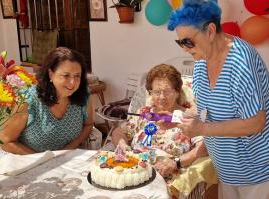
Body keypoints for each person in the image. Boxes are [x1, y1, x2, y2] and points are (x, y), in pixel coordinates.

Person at [168, 0, 269, 198]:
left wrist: (202, 129)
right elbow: (206, 110)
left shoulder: (241, 63)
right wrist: (174, 118)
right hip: (226, 171)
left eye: (188, 41)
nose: (184, 49)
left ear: (211, 30)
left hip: (256, 173)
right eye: (179, 42)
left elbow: (256, 122)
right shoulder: (201, 59)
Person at [0, 47, 94, 162]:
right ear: (51, 74)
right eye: (66, 75)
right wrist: (42, 161)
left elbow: (88, 125)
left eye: (77, 76)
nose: (73, 83)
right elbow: (6, 141)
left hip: (67, 162)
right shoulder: (29, 100)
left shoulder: (83, 95)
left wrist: (68, 150)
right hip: (29, 163)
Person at [112, 64, 208, 179]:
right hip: (135, 173)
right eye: (157, 92)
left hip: (168, 178)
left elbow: (204, 147)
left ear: (177, 92)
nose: (162, 97)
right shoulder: (144, 113)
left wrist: (177, 162)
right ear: (150, 93)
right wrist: (122, 145)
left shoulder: (187, 116)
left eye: (167, 91)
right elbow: (118, 132)